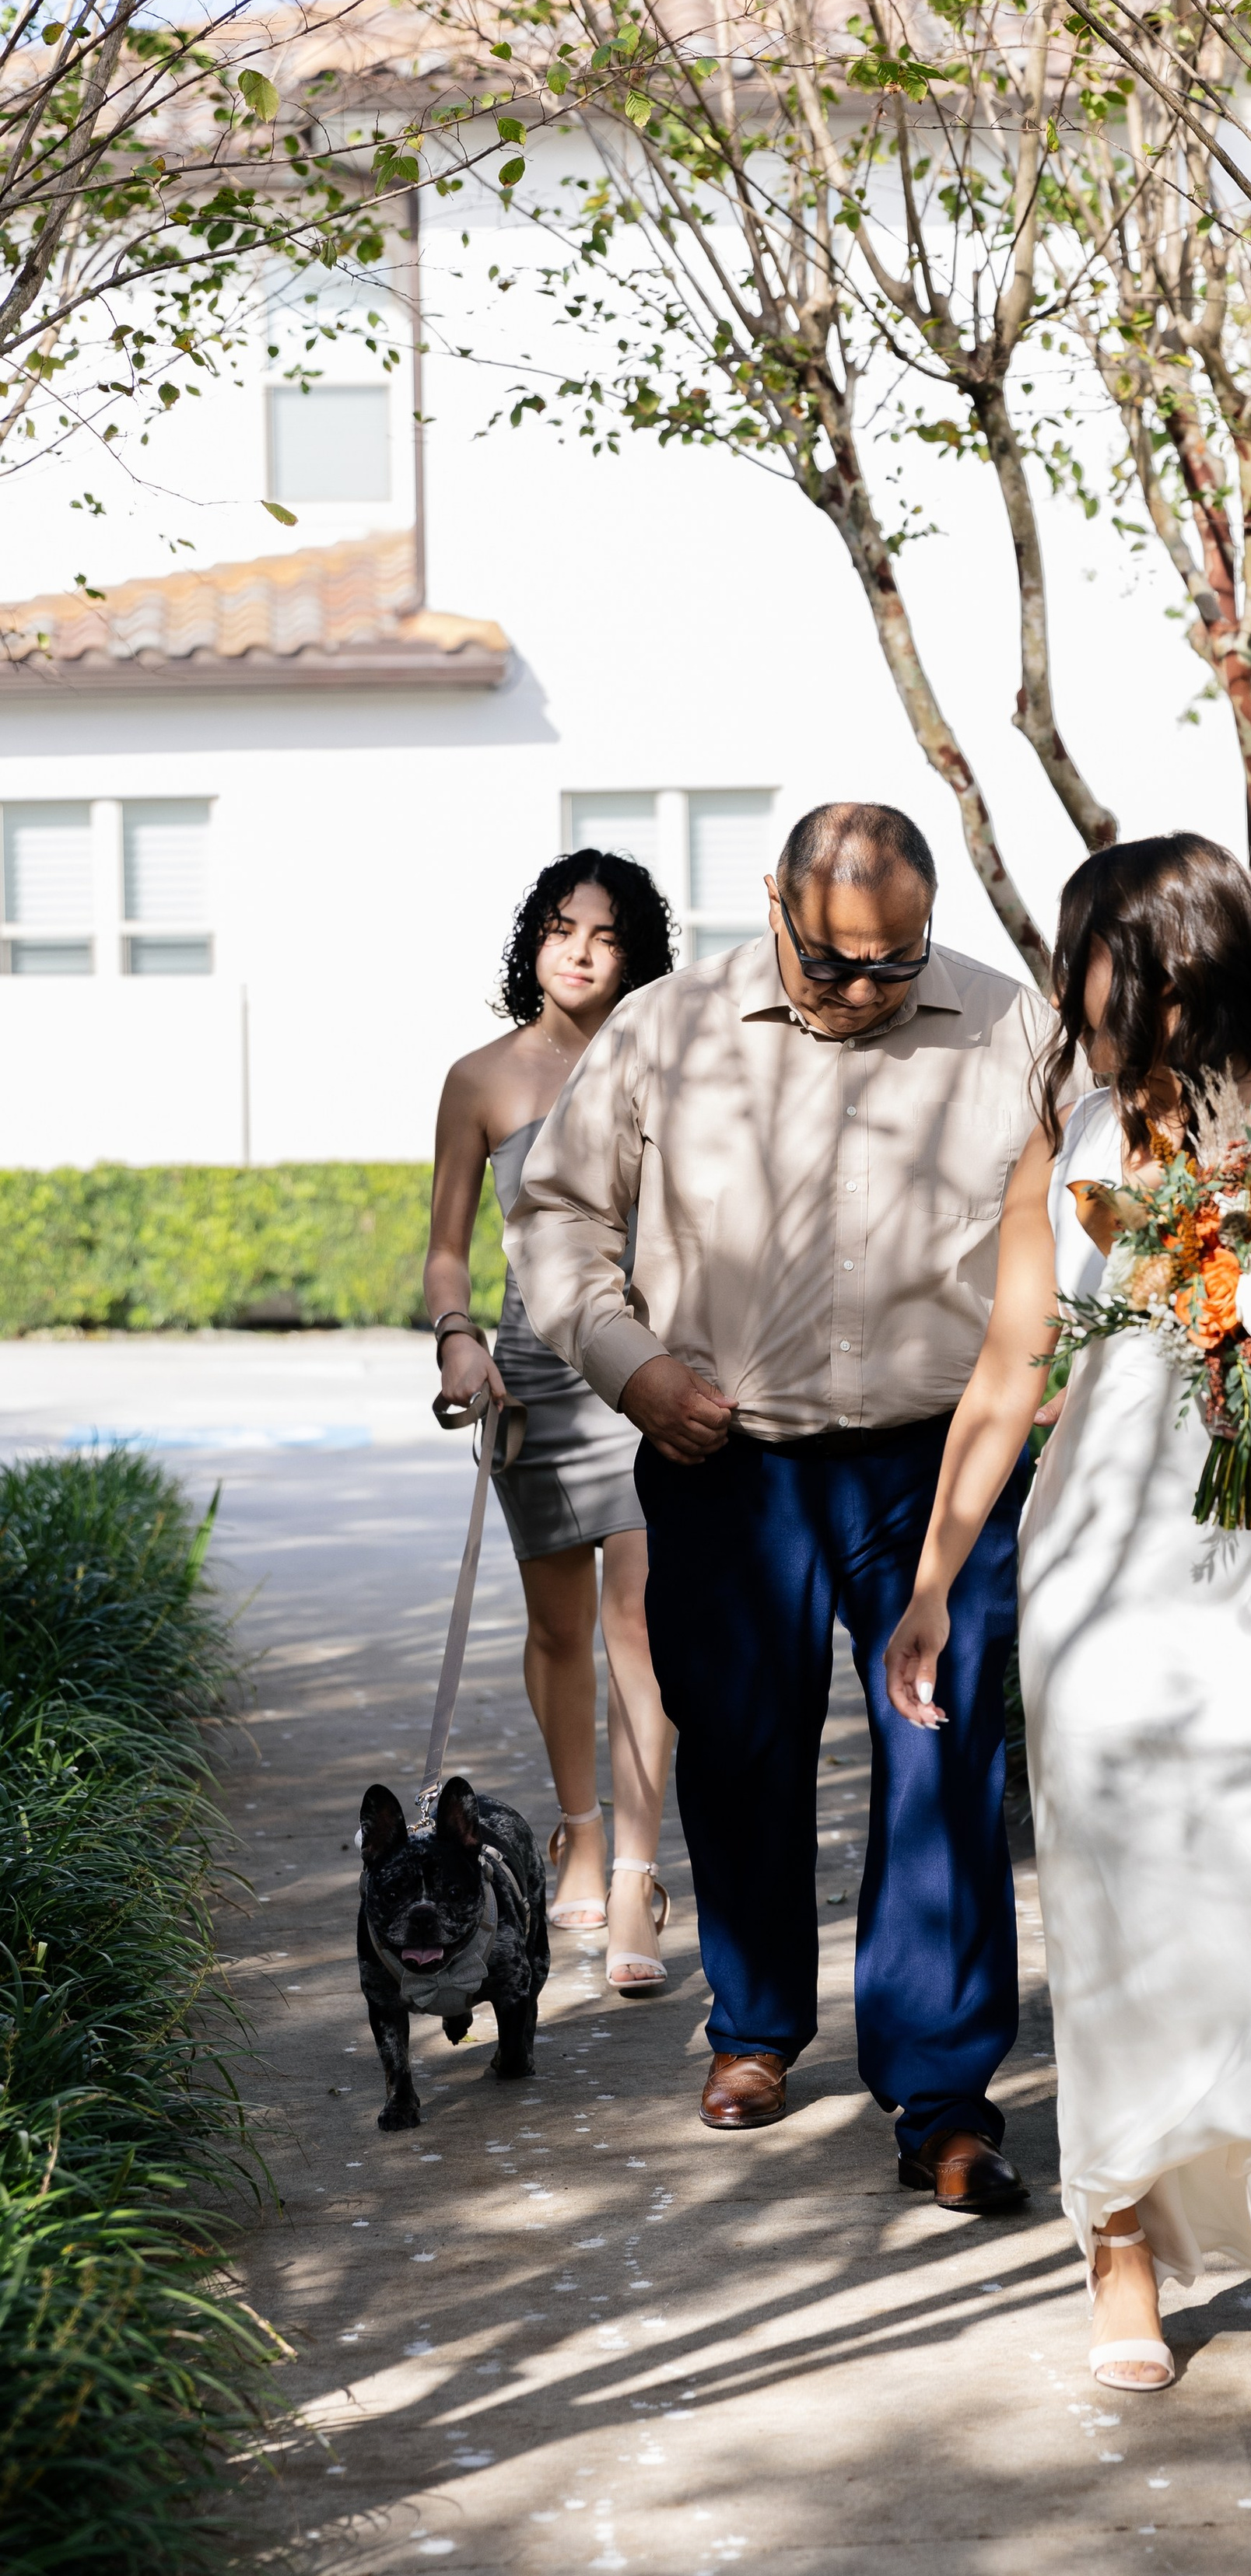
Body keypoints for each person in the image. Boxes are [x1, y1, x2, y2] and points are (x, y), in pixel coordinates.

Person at [883, 835, 1251, 2404]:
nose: (1072, 989)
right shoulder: (1066, 1140)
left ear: (1168, 954)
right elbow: (1004, 1377)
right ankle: (1115, 2239)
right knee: (1121, 1912)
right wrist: (936, 1580)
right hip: (1100, 1576)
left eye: (1088, 956)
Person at [506, 801, 1054, 2207]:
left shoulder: (1011, 1025)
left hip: (941, 1465)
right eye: (835, 963)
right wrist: (631, 1372)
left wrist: (1067, 1360)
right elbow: (559, 1214)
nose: (868, 992)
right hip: (722, 1456)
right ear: (774, 905)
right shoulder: (667, 1029)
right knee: (742, 1752)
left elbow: (1092, 1215)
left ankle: (942, 2093)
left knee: (944, 1768)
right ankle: (755, 2025)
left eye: (895, 964)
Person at [425, 851, 679, 1998]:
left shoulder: (668, 1066)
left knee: (640, 1625)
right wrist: (456, 1337)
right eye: (562, 928)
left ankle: (634, 1872)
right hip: (530, 1378)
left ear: (638, 958)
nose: (580, 951)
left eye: (607, 935)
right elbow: (445, 1246)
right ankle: (580, 1825)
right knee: (560, 1632)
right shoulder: (479, 1079)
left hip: (646, 1374)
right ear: (533, 940)